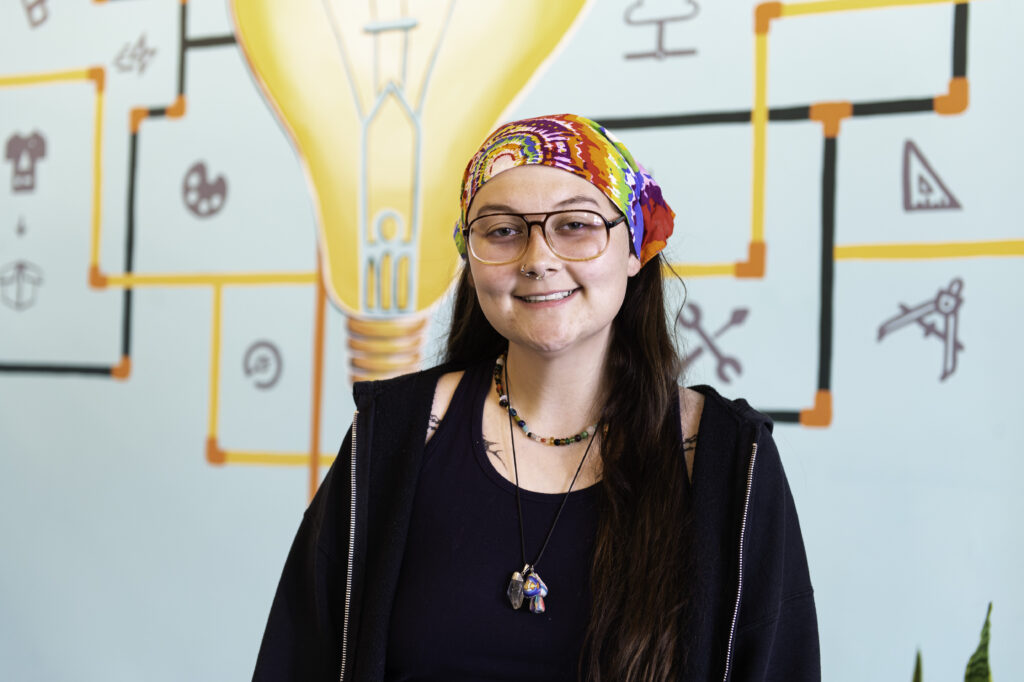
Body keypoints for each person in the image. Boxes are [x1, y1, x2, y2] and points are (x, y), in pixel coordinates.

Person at [253, 114, 819, 681]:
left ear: (634, 248)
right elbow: (296, 659)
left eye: (575, 224)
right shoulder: (395, 437)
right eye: (502, 230)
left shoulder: (727, 463)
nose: (538, 258)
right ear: (471, 258)